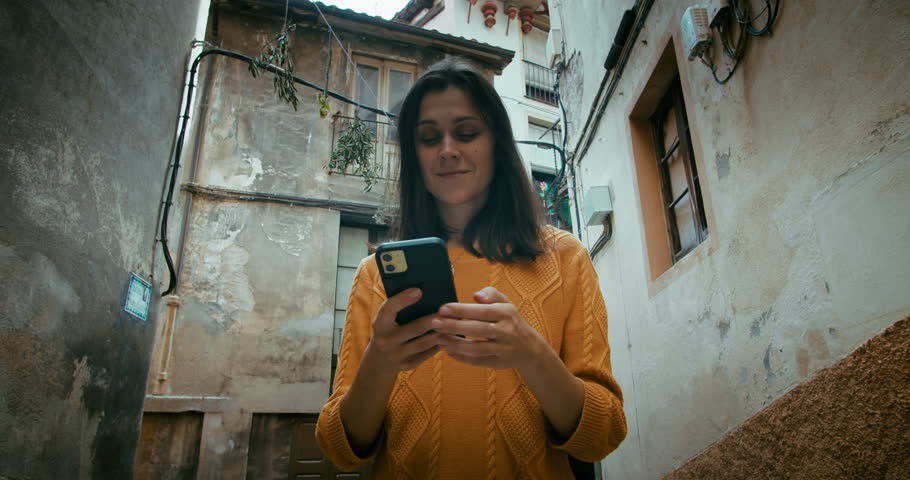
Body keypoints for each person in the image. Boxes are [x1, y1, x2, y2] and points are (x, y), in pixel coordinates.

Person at [316, 57, 627, 479]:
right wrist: (381, 360)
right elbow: (340, 451)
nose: (448, 150)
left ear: (496, 142)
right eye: (428, 138)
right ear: (415, 156)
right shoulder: (375, 276)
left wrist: (531, 354)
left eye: (467, 132)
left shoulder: (565, 259)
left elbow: (603, 434)